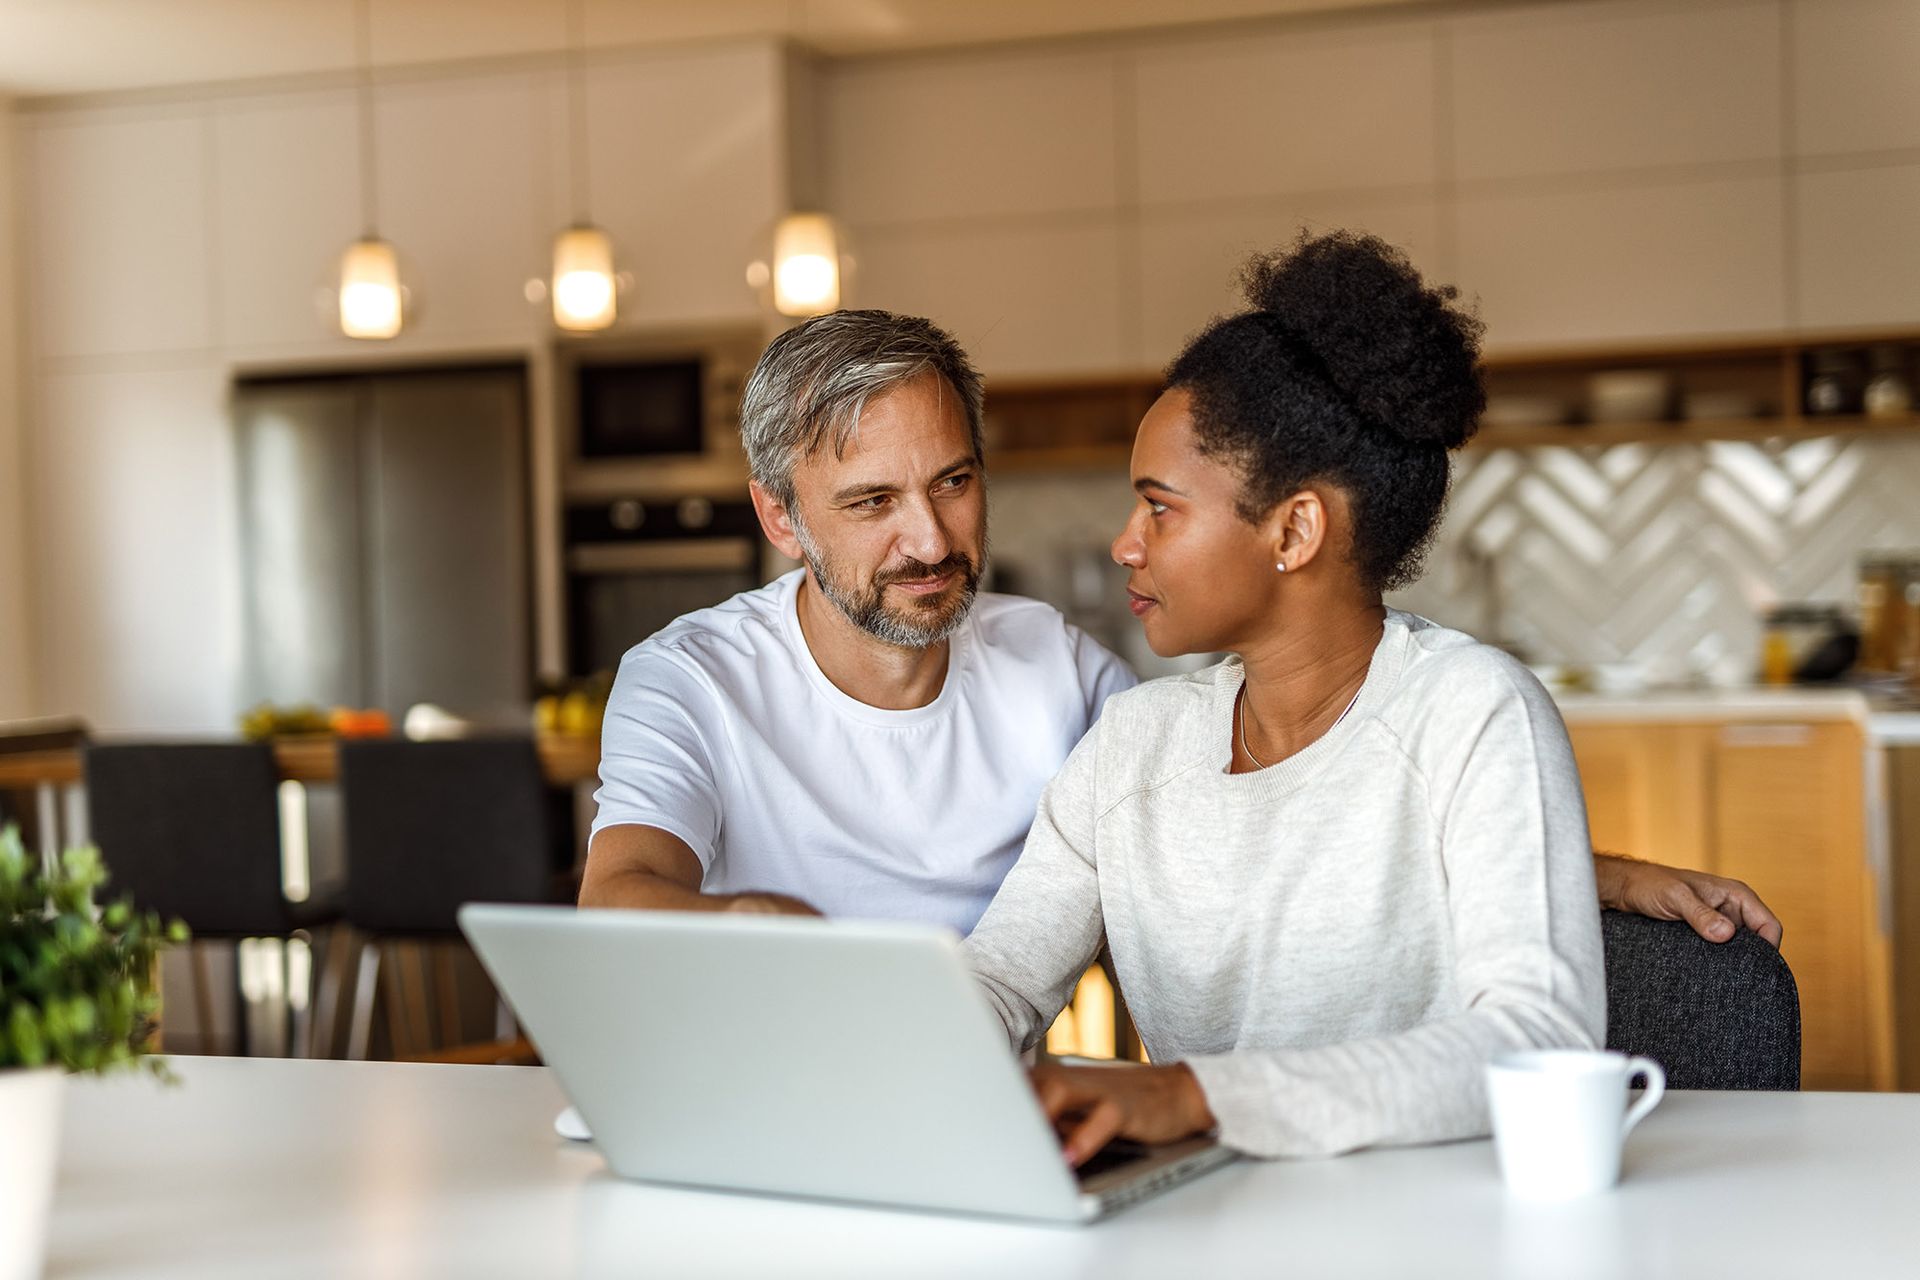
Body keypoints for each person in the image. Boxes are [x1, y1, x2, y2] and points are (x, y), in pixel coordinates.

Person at [577, 308, 1781, 946]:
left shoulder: (1055, 668)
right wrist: (752, 927)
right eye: (873, 502)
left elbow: (1291, 816)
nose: (933, 539)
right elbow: (622, 889)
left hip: (991, 1094)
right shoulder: (688, 679)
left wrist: (1581, 869)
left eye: (953, 480)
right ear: (780, 519)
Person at [962, 231, 1604, 1164]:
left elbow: (1539, 1037)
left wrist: (1190, 1095)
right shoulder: (1132, 747)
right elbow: (1001, 981)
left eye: (1160, 507)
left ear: (1295, 528)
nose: (1124, 545)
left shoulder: (1471, 712)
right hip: (1203, 1227)